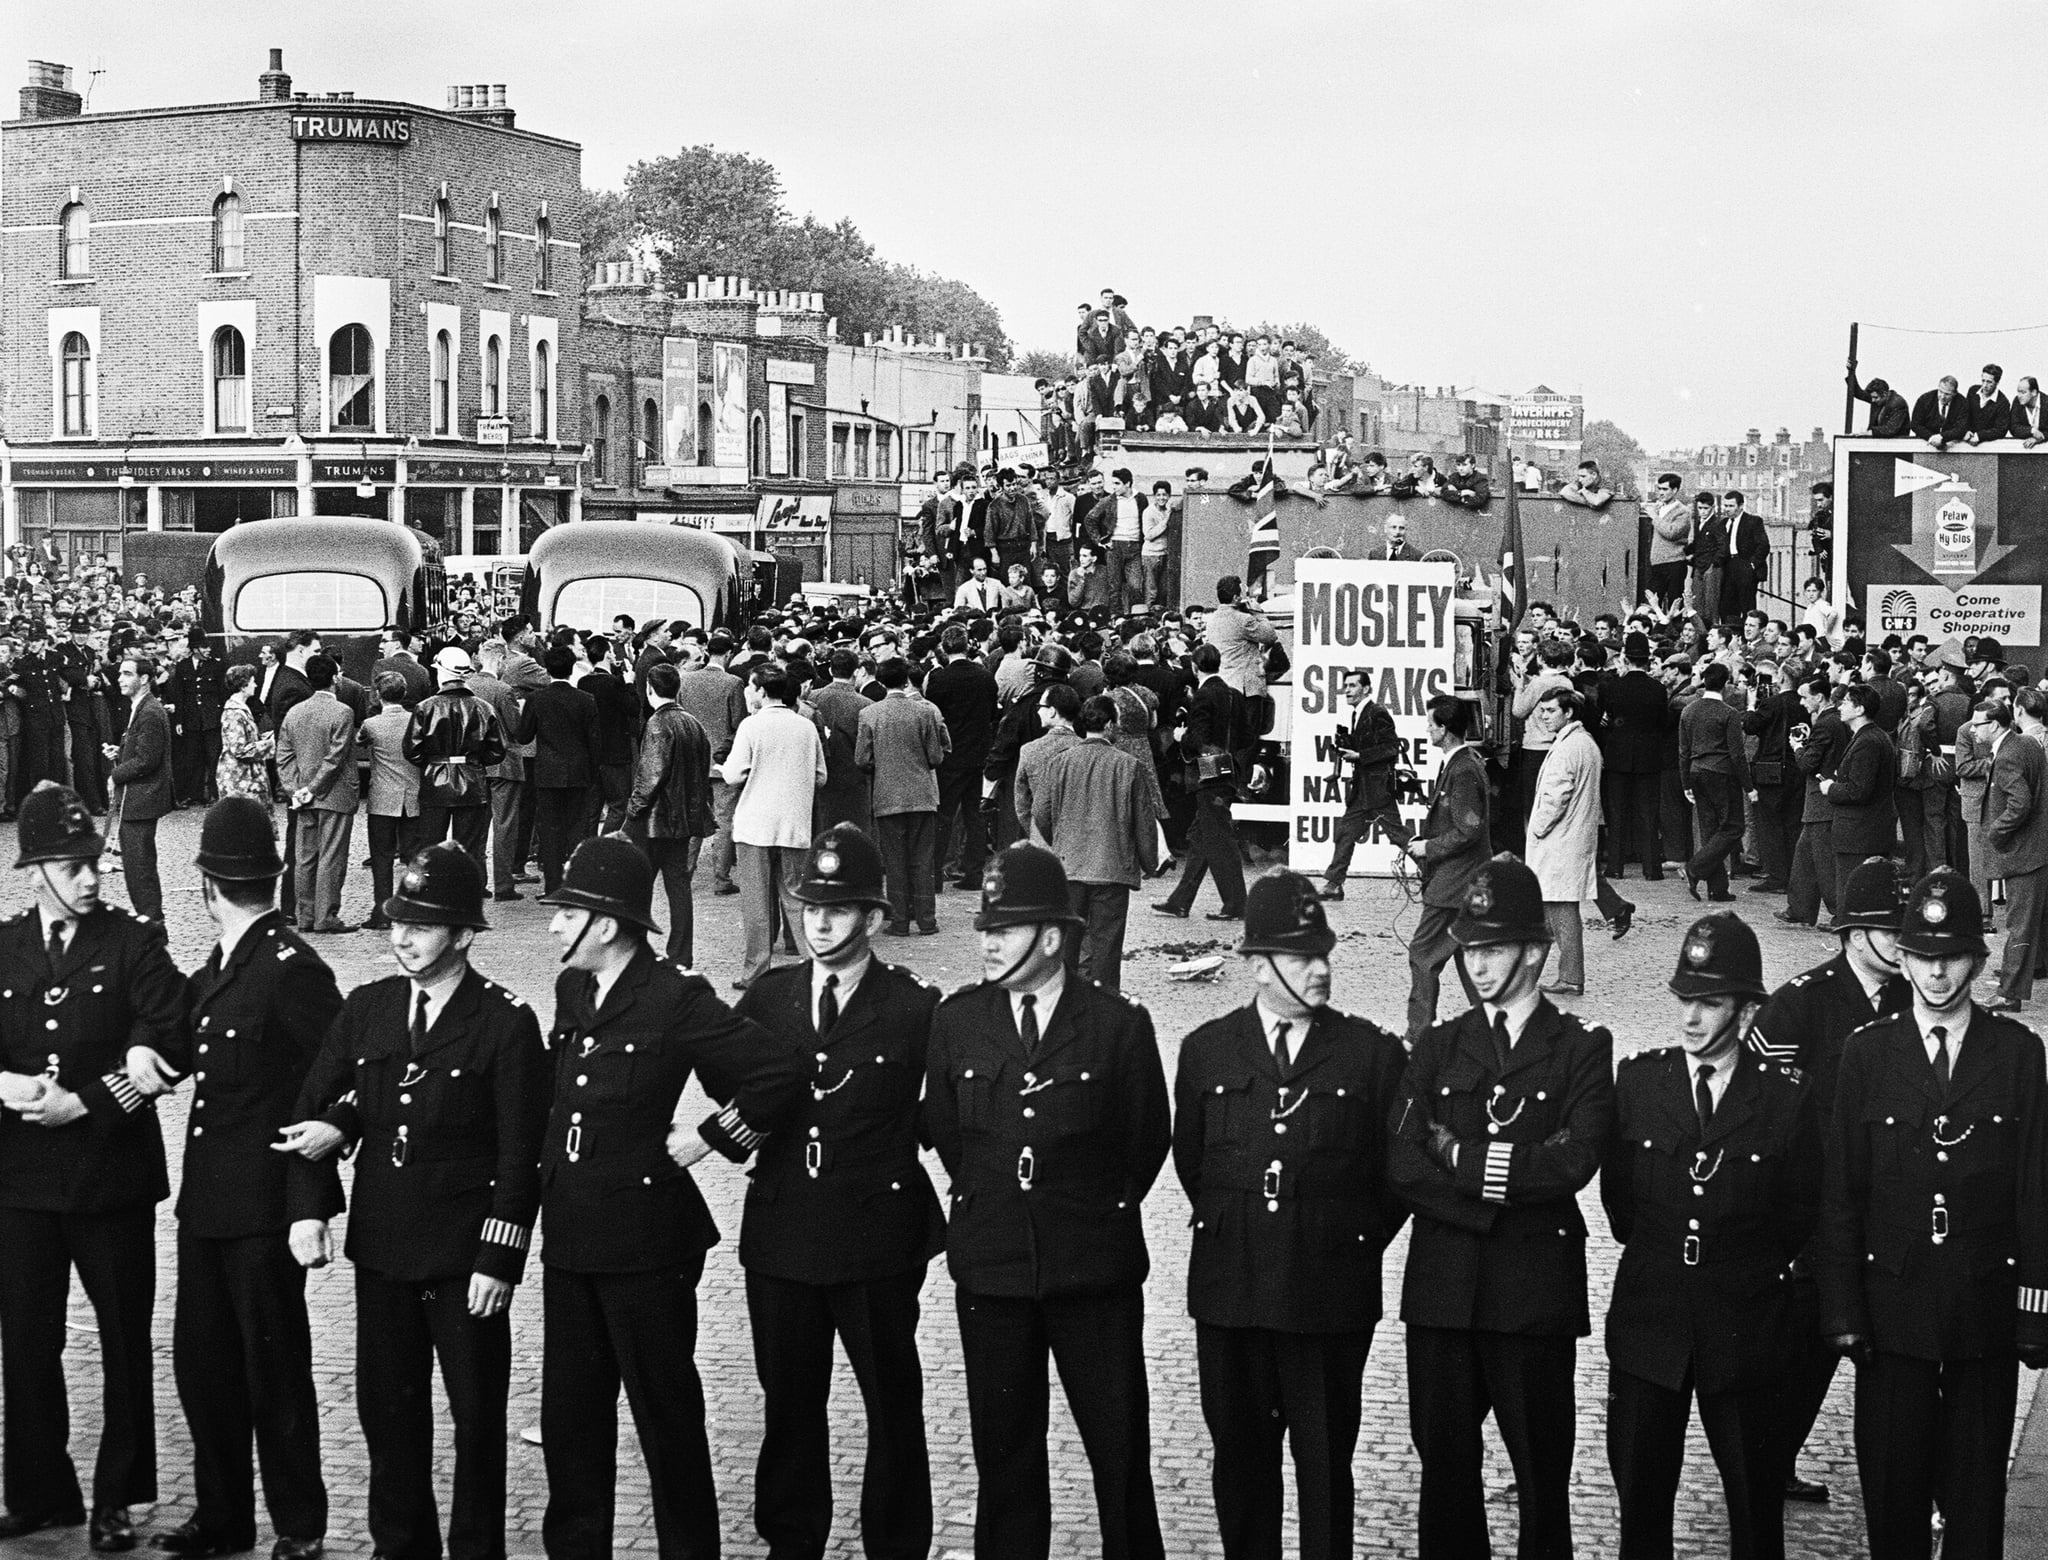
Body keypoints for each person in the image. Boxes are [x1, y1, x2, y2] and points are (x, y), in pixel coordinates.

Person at [534, 836, 807, 1560]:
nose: (554, 927)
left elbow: (774, 1074)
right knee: (570, 1416)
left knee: (665, 1415)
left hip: (645, 1242)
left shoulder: (675, 996)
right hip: (569, 1234)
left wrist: (711, 1139)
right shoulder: (572, 989)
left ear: (608, 925)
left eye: (567, 914)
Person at [278, 842, 548, 1560]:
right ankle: (401, 1548)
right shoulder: (368, 1009)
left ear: (462, 935)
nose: (402, 938)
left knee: (476, 1420)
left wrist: (500, 1258)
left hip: (465, 1256)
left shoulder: (505, 1022)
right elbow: (315, 1106)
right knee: (387, 1418)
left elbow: (523, 1154)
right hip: (385, 1243)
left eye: (423, 926)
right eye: (398, 921)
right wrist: (309, 1206)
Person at [923, 842, 1171, 1560]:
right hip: (993, 1268)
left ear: (1055, 938)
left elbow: (1144, 1141)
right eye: (987, 929)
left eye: (1008, 928)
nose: (990, 942)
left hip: (1093, 1270)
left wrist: (1091, 1209)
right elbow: (948, 1133)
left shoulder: (1119, 1026)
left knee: (1119, 1453)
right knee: (1004, 1455)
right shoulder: (957, 1021)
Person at [1172, 871, 1407, 1560]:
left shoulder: (1372, 1055)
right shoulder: (1207, 1051)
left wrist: (1339, 1239)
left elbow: (1392, 1182)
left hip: (1327, 1296)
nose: (1320, 969)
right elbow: (1195, 1166)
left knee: (1326, 1469)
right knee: (1241, 1468)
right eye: (1302, 956)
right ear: (1255, 963)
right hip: (1231, 1295)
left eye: (1324, 953)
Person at [1816, 869, 2048, 1560]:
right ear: (1904, 959)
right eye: (1922, 955)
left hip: (1982, 1305)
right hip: (1893, 1308)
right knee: (1893, 1495)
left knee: (1977, 1503)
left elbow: (2038, 1186)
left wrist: (2034, 1311)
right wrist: (1843, 1310)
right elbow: (1842, 1193)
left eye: (1950, 957)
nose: (1937, 973)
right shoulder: (1867, 1054)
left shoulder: (2017, 1056)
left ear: (1976, 961)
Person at [1387, 858, 1614, 1560]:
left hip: (1532, 1292)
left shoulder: (1581, 1047)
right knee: (1445, 1474)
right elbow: (1402, 1163)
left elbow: (1575, 1162)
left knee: (1541, 1474)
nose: (1477, 967)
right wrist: (1509, 1181)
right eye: (1471, 950)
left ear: (1537, 952)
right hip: (1443, 1293)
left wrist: (1462, 1160)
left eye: (1493, 949)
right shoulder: (1437, 1045)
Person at [137, 798, 342, 1560]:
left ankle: (299, 1524)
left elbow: (329, 1088)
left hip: (263, 1209)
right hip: (208, 1208)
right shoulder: (221, 966)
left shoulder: (293, 970)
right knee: (205, 1366)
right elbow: (176, 1037)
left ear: (205, 887)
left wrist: (310, 1208)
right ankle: (222, 1517)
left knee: (274, 1371)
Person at [732, 824, 944, 1560]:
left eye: (840, 910)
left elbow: (941, 1110)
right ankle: (792, 1541)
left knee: (891, 1402)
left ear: (875, 919)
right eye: (811, 908)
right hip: (783, 1233)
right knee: (789, 1402)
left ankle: (896, 1543)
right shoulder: (768, 997)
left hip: (877, 1236)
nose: (819, 922)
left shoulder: (917, 1007)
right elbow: (738, 1091)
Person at [0, 784, 187, 1549]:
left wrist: (87, 1101)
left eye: (94, 865)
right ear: (35, 870)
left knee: (121, 1339)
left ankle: (120, 1496)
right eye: (71, 866)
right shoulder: (5, 944)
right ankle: (42, 1491)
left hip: (110, 1177)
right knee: (27, 1340)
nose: (90, 879)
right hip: (21, 1182)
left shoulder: (134, 943)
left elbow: (171, 1037)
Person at [1603, 911, 1818, 1560]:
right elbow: (1621, 1206)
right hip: (1651, 1326)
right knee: (1641, 1514)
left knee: (1755, 1518)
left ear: (1747, 1013)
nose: (1691, 1019)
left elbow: (1797, 1216)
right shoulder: (1641, 1083)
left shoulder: (1786, 1099)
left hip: (1745, 1331)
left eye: (1710, 1003)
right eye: (1685, 1001)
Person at [1748, 857, 1910, 1502]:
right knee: (1798, 1359)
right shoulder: (1799, 1005)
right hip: (1813, 1221)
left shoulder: (1914, 1000)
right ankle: (1764, 1466)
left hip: (1886, 1215)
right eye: (1888, 930)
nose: (1904, 945)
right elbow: (1760, 1120)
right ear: (1852, 934)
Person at [1031, 695, 1161, 989]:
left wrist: (1060, 841)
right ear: (1111, 724)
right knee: (1106, 946)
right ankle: (1105, 1008)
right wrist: (1149, 862)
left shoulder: (1059, 763)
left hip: (1068, 866)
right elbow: (1143, 821)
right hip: (1112, 868)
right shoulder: (1130, 765)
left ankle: (1062, 1005)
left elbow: (1041, 812)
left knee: (1066, 945)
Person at [721, 667, 828, 990]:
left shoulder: (751, 726)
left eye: (750, 688)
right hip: (794, 823)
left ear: (762, 691)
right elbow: (821, 776)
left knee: (756, 901)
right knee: (796, 896)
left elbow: (733, 775)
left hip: (755, 823)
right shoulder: (806, 727)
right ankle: (814, 965)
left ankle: (756, 970)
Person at [1400, 696, 1492, 1041]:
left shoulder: (1463, 769)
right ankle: (1497, 1026)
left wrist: (1428, 847)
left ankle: (1418, 1034)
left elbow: (1468, 829)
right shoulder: (1461, 764)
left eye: (1430, 724)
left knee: (1423, 954)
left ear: (1444, 730)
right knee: (1470, 961)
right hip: (1466, 879)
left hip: (1455, 883)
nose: (1427, 729)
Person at [623, 661, 711, 969]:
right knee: (678, 886)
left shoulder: (658, 724)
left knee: (639, 886)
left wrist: (632, 810)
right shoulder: (693, 724)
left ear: (649, 690)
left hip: (652, 820)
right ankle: (681, 954)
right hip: (683, 820)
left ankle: (637, 949)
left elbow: (650, 775)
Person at [856, 657, 951, 937]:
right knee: (923, 859)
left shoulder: (870, 714)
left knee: (894, 861)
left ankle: (899, 921)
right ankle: (926, 920)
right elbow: (936, 756)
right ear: (907, 679)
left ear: (882, 681)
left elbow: (862, 758)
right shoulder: (924, 712)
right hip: (922, 794)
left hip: (887, 795)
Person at [1154, 644, 1248, 922]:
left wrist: (1183, 737)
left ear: (1195, 668)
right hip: (1229, 772)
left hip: (1207, 776)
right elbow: (1247, 735)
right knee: (1200, 837)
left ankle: (1236, 904)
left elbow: (1199, 739)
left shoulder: (1202, 696)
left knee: (1219, 839)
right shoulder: (1233, 695)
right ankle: (1180, 901)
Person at [1525, 686, 1604, 995]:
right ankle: (1538, 976)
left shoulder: (1569, 748)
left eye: (1551, 711)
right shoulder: (1583, 743)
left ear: (1568, 712)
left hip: (1559, 842)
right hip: (1572, 838)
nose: (1544, 717)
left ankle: (1569, 977)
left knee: (1560, 913)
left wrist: (1537, 830)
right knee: (1553, 914)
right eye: (1542, 711)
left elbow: (1555, 798)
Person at [276, 654, 359, 936]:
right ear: (335, 678)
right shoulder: (343, 712)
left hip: (302, 797)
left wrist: (296, 790)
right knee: (331, 857)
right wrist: (312, 789)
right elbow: (335, 759)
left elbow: (283, 758)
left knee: (305, 857)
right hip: (333, 795)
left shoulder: (294, 712)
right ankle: (327, 917)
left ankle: (306, 915)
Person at [404, 647, 505, 865]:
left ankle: (433, 891)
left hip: (435, 779)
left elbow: (412, 750)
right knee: (468, 847)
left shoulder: (425, 707)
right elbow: (497, 751)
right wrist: (474, 761)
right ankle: (464, 891)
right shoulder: (483, 708)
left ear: (441, 672)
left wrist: (432, 762)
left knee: (431, 846)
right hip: (472, 780)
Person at [1981, 687, 2048, 1013]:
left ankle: (2009, 993)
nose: (1974, 728)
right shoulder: (2028, 744)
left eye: (1978, 724)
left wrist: (1996, 832)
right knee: (2033, 921)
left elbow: (2019, 803)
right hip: (2039, 848)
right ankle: (2026, 975)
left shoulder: (2008, 753)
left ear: (1994, 725)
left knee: (2019, 923)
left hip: (2025, 853)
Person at [1320, 666, 1410, 900]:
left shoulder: (1376, 712)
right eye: (1345, 686)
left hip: (1378, 790)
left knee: (1398, 835)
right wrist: (1346, 745)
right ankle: (1333, 884)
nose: (1346, 690)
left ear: (1366, 688)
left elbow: (1391, 748)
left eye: (1352, 686)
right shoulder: (1358, 713)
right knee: (1345, 832)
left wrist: (1360, 756)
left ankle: (1436, 870)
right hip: (1364, 791)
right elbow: (1370, 744)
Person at [515, 646, 598, 898]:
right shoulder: (586, 700)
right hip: (579, 771)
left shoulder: (536, 699)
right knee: (576, 829)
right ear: (572, 668)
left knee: (550, 830)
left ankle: (552, 887)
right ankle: (575, 885)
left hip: (547, 772)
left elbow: (523, 735)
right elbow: (595, 741)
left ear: (547, 669)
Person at [674, 641, 749, 897]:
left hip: (692, 762)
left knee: (692, 818)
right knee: (726, 820)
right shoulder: (734, 683)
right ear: (728, 654)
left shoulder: (686, 681)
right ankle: (721, 879)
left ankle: (684, 873)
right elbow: (738, 724)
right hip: (721, 762)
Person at [926, 624, 998, 889]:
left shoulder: (939, 680)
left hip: (950, 756)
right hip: (977, 754)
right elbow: (992, 714)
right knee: (973, 815)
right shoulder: (985, 677)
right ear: (967, 646)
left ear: (944, 648)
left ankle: (934, 875)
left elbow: (934, 717)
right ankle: (974, 873)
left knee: (943, 815)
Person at [104, 653, 174, 922]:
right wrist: (120, 752)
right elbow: (141, 751)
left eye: (127, 674)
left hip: (142, 799)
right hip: (137, 798)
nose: (119, 679)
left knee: (139, 867)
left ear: (144, 679)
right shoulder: (143, 707)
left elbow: (147, 760)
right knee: (136, 866)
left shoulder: (150, 711)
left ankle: (153, 926)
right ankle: (151, 922)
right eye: (120, 673)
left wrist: (116, 774)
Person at [1680, 662, 1755, 902]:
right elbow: (1737, 754)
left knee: (1710, 831)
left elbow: (1683, 750)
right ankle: (1695, 868)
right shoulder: (1729, 713)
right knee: (1733, 827)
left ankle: (1718, 888)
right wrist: (1749, 786)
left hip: (1696, 771)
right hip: (1722, 774)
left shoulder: (1689, 711)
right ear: (1726, 684)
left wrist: (1685, 783)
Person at [356, 673, 422, 934]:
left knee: (382, 857)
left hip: (383, 799)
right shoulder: (417, 720)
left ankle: (382, 912)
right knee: (415, 857)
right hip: (414, 795)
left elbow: (360, 742)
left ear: (377, 694)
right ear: (404, 693)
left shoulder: (371, 724)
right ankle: (414, 907)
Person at [1819, 684, 1898, 898]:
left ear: (1860, 709)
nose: (1840, 707)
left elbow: (1858, 791)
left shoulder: (1868, 741)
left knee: (1854, 890)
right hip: (1867, 829)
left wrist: (1831, 788)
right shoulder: (1872, 737)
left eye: (1845, 702)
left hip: (1860, 832)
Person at [1203, 575, 1278, 699]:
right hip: (1245, 688)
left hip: (1224, 681)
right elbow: (1270, 635)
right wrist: (1258, 612)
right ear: (1235, 598)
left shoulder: (1212, 619)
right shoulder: (1244, 619)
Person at [215, 664, 273, 805]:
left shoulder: (241, 709)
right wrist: (270, 744)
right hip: (240, 779)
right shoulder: (234, 713)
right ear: (243, 686)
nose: (255, 684)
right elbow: (240, 750)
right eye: (253, 681)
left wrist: (266, 737)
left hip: (246, 777)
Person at [1645, 473, 1691, 610]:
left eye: (1665, 489)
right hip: (1658, 563)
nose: (1661, 493)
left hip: (1675, 563)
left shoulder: (1683, 512)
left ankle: (1674, 630)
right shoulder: (1659, 508)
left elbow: (1671, 533)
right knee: (1653, 603)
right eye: (1659, 489)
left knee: (1674, 604)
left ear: (1675, 490)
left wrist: (1654, 516)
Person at [1911, 374, 1969, 450]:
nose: (1942, 396)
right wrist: (1931, 437)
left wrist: (1942, 437)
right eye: (1940, 391)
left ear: (1954, 393)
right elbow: (1915, 424)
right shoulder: (1924, 400)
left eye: (1947, 394)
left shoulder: (1962, 403)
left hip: (1952, 447)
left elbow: (1961, 428)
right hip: (1926, 445)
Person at [1847, 371, 1911, 437]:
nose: (1872, 400)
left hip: (1897, 444)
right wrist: (1851, 372)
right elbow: (1858, 393)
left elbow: (1890, 429)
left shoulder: (1899, 404)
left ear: (1885, 394)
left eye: (1875, 397)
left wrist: (1867, 433)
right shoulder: (1878, 398)